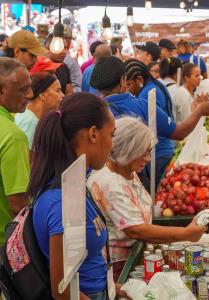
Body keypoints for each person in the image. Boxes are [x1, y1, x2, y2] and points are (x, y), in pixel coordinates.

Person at [30, 93, 130, 300]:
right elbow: (63, 291)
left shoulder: (76, 183)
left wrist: (115, 288)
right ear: (93, 134)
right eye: (111, 135)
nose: (112, 145)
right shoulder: (62, 204)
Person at [87, 116, 206, 280]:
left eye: (149, 152)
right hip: (120, 266)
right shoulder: (109, 183)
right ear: (127, 150)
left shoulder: (128, 170)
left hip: (139, 254)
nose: (148, 158)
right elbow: (137, 230)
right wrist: (185, 233)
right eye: (143, 153)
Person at [90, 56, 209, 188]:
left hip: (105, 182)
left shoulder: (94, 112)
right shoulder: (143, 105)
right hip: (138, 177)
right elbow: (179, 132)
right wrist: (199, 111)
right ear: (122, 81)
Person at [0, 58, 32, 245]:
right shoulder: (13, 136)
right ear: (2, 90)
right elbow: (18, 203)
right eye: (22, 89)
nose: (30, 94)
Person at [15, 73, 64, 149]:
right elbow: (28, 158)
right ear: (42, 95)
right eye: (58, 91)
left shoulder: (32, 117)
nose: (62, 95)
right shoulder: (29, 122)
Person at [63, 26, 82, 92]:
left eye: (69, 39)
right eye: (67, 38)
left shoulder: (70, 59)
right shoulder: (69, 60)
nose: (69, 41)